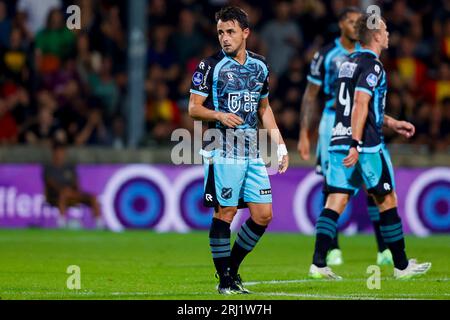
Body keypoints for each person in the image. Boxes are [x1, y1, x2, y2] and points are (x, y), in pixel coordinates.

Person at [308, 14, 431, 280]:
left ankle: (318, 263)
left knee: (336, 200)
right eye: (385, 29)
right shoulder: (373, 66)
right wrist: (357, 142)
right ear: (375, 35)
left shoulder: (347, 64)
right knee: (387, 199)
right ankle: (401, 266)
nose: (388, 34)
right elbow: (361, 104)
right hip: (364, 145)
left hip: (338, 139)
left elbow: (355, 107)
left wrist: (392, 122)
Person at [188, 6, 289, 294]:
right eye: (220, 32)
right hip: (223, 149)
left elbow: (264, 109)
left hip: (252, 152)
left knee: (263, 215)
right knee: (226, 212)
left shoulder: (260, 65)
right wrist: (218, 116)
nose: (224, 38)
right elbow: (193, 108)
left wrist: (280, 146)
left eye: (230, 31)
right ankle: (226, 281)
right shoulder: (209, 66)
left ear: (246, 33)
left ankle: (230, 270)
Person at [298, 7, 393, 266]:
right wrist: (305, 134)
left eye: (357, 23)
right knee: (332, 185)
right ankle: (333, 249)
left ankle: (383, 249)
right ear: (341, 24)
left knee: (370, 185)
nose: (354, 26)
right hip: (333, 120)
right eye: (350, 22)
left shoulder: (363, 55)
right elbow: (310, 94)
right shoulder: (327, 55)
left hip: (362, 119)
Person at [43, 141, 103, 229]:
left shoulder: (69, 167)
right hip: (55, 196)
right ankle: (62, 224)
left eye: (62, 151)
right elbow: (50, 183)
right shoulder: (48, 168)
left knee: (93, 197)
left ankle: (99, 224)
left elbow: (76, 182)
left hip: (72, 194)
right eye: (57, 151)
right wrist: (64, 190)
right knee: (64, 194)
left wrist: (76, 191)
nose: (60, 154)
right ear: (53, 152)